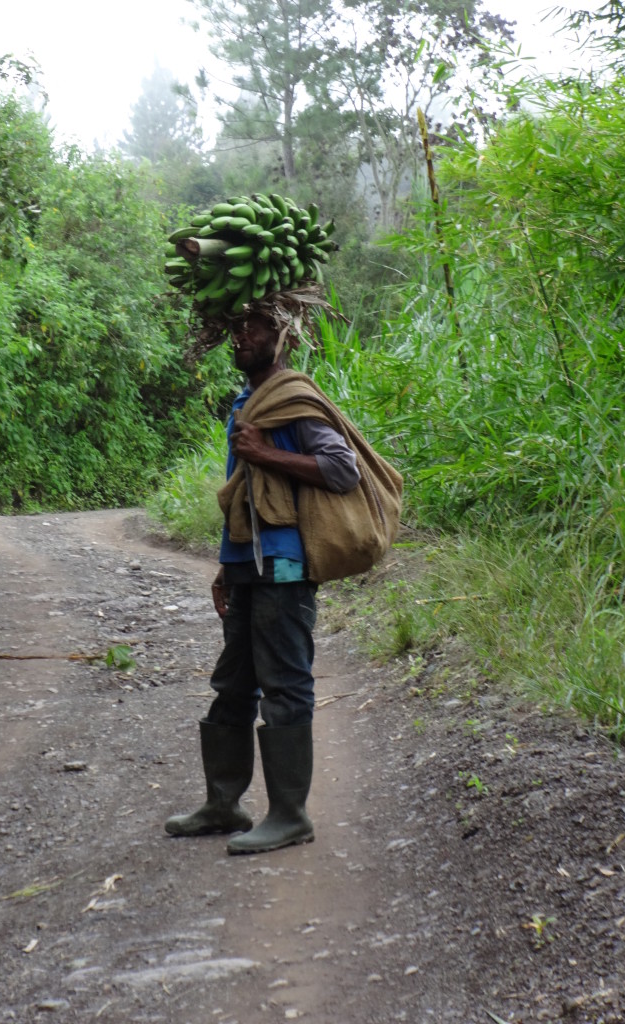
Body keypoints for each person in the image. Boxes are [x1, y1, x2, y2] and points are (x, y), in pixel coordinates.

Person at [165, 308, 361, 855]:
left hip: (285, 567)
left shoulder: (294, 399)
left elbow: (342, 469)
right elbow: (242, 494)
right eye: (237, 327)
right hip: (247, 566)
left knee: (284, 684)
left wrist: (265, 452)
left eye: (255, 326)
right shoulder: (245, 401)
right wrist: (226, 567)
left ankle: (290, 816)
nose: (242, 335)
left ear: (282, 334)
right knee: (232, 684)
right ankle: (223, 804)